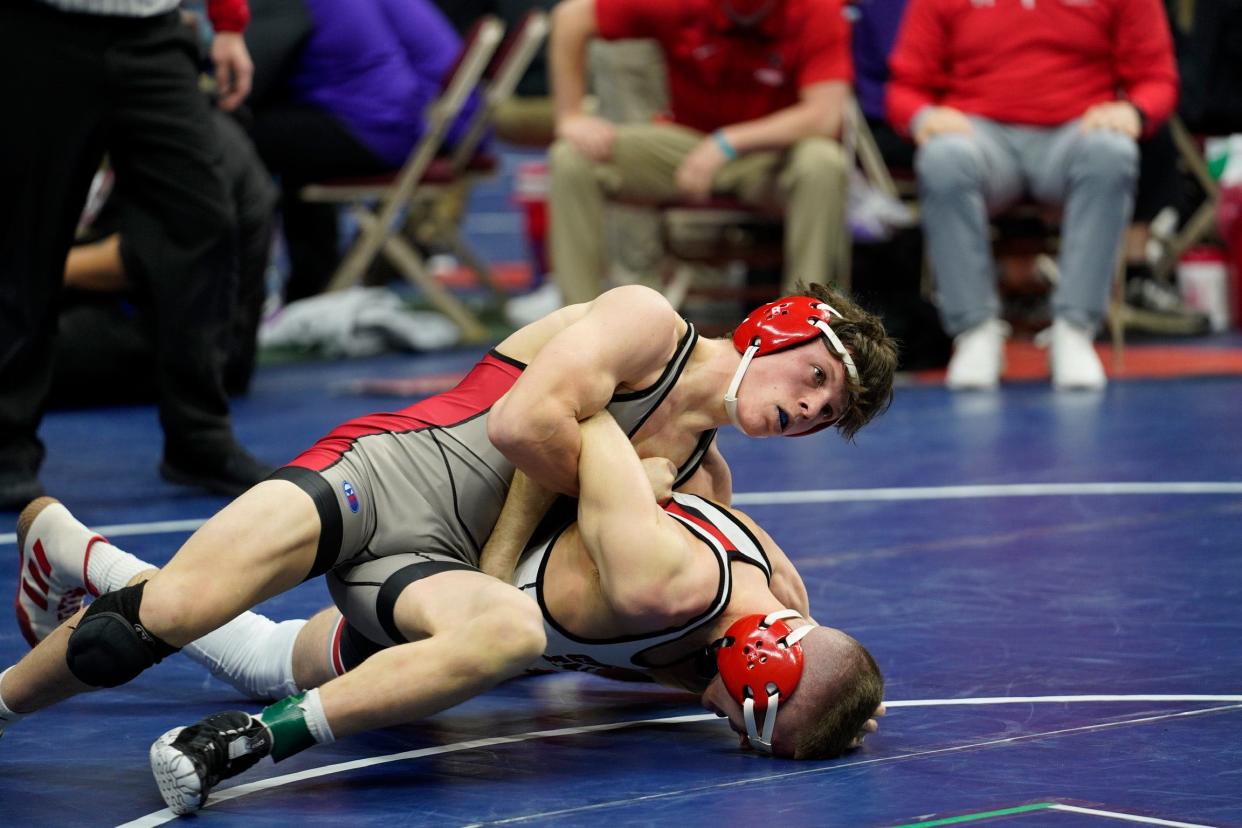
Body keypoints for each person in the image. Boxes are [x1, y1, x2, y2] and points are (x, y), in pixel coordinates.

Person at [0, 284, 896, 790]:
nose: (811, 407)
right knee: (142, 630)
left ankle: (244, 731)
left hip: (436, 572)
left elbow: (691, 621)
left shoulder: (702, 480)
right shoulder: (648, 327)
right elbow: (518, 427)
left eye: (830, 413)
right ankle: (30, 650)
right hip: (384, 477)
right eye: (816, 376)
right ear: (774, 330)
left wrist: (828, 691)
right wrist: (612, 489)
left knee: (507, 632)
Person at [0, 0, 267, 510]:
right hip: (39, 24)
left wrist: (228, 22)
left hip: (153, 28)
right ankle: (6, 447)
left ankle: (200, 435)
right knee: (27, 233)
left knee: (201, 222)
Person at [886, 0, 1179, 391]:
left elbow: (1157, 78)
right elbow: (905, 85)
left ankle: (1075, 329)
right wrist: (924, 116)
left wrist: (1134, 112)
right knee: (941, 156)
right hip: (979, 133)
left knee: (1114, 150)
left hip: (1078, 129)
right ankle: (975, 330)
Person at [546, 0, 854, 306]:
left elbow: (825, 116)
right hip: (686, 147)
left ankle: (805, 322)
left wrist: (728, 142)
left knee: (824, 162)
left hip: (772, 155)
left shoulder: (818, 9)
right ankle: (578, 320)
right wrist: (570, 115)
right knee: (571, 156)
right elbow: (571, 16)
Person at [243, 0, 479, 302]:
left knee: (236, 136)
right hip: (416, 120)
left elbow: (255, 76)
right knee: (292, 141)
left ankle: (255, 295)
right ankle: (310, 289)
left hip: (396, 128)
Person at [52, 108, 279, 411]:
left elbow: (140, 258)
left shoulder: (190, 141)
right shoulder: (156, 124)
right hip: (145, 313)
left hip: (197, 345)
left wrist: (30, 270)